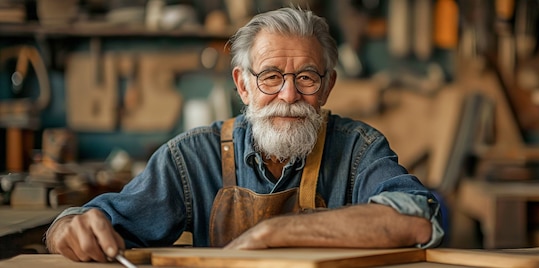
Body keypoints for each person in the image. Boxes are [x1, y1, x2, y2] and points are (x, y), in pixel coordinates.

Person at [44, 7, 444, 262]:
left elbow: (415, 220)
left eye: (306, 77)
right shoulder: (191, 158)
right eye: (271, 77)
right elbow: (99, 223)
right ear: (243, 85)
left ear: (327, 86)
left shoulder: (358, 149)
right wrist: (68, 227)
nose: (289, 95)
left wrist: (274, 233)